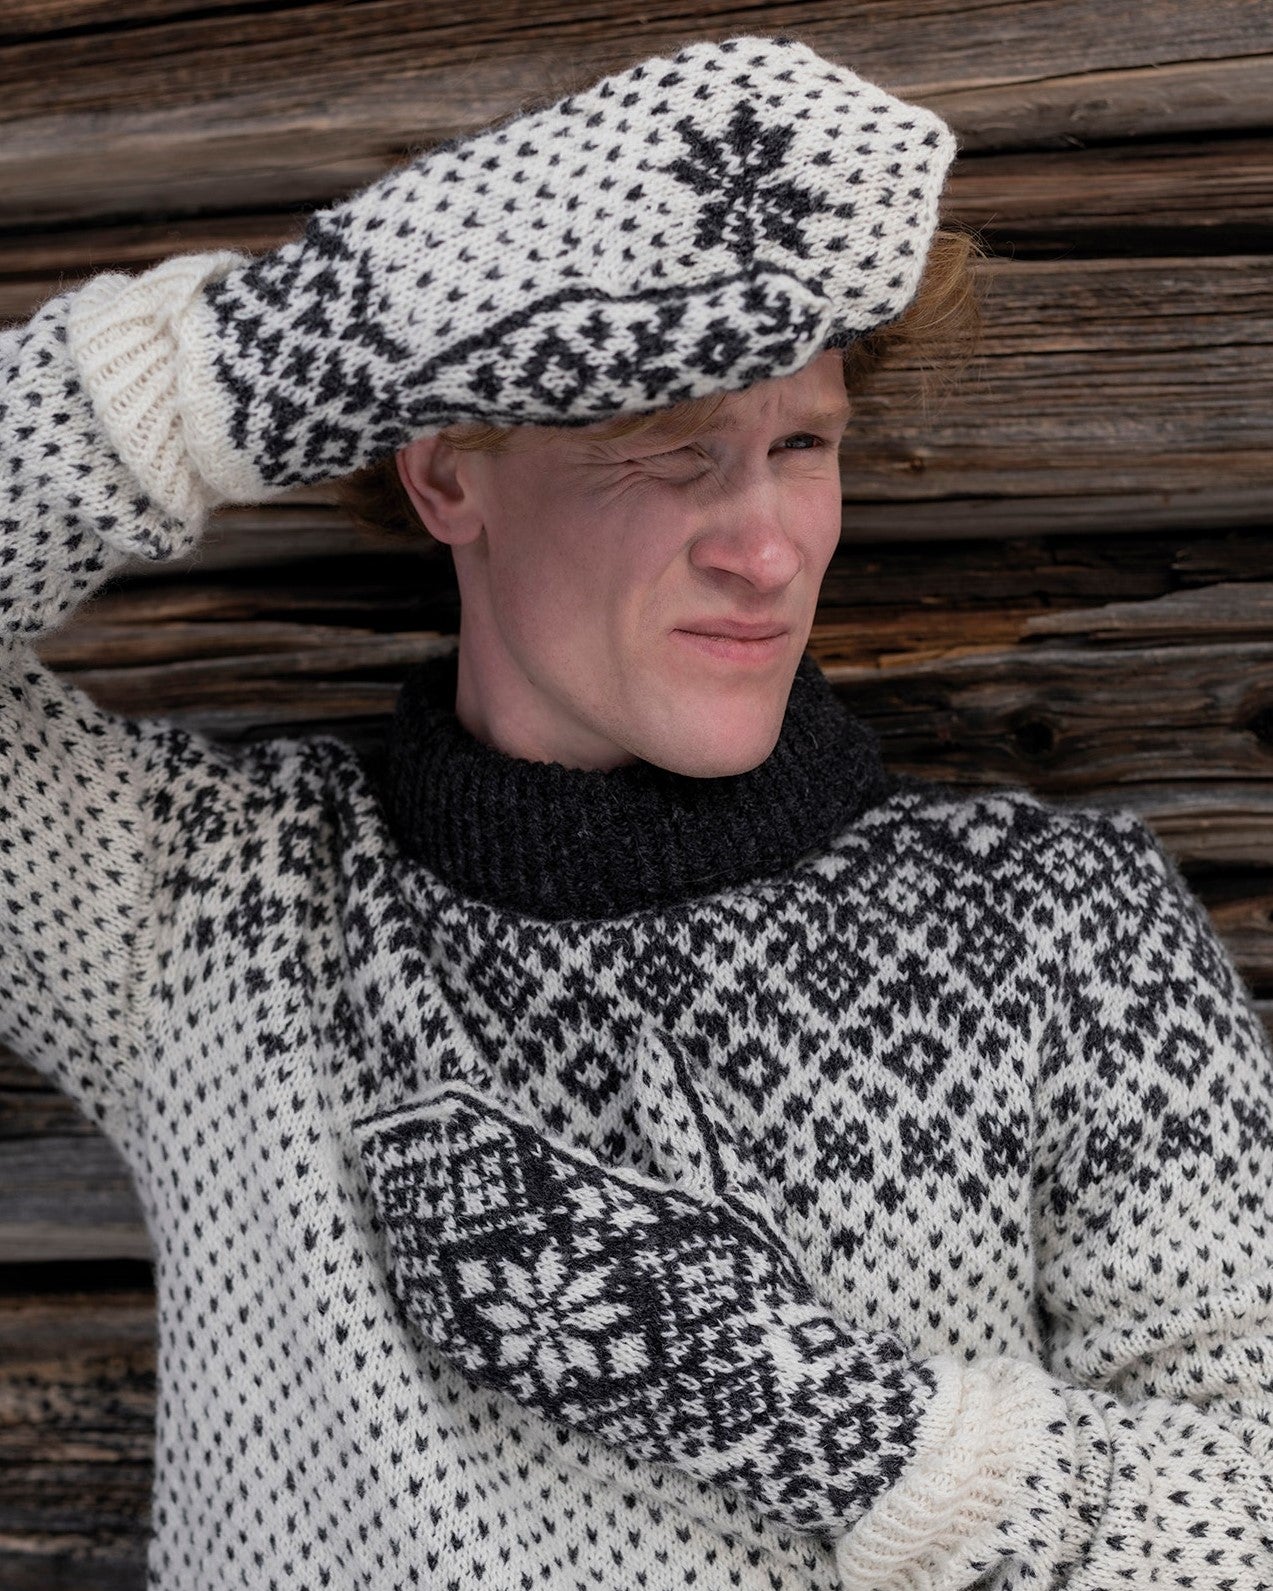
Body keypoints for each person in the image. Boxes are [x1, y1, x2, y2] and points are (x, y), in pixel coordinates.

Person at [1, 31, 1270, 1591]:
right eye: (672, 454)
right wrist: (262, 357)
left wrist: (824, 1425)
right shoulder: (190, 909)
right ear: (446, 474)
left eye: (800, 445)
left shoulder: (1056, 928)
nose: (766, 550)